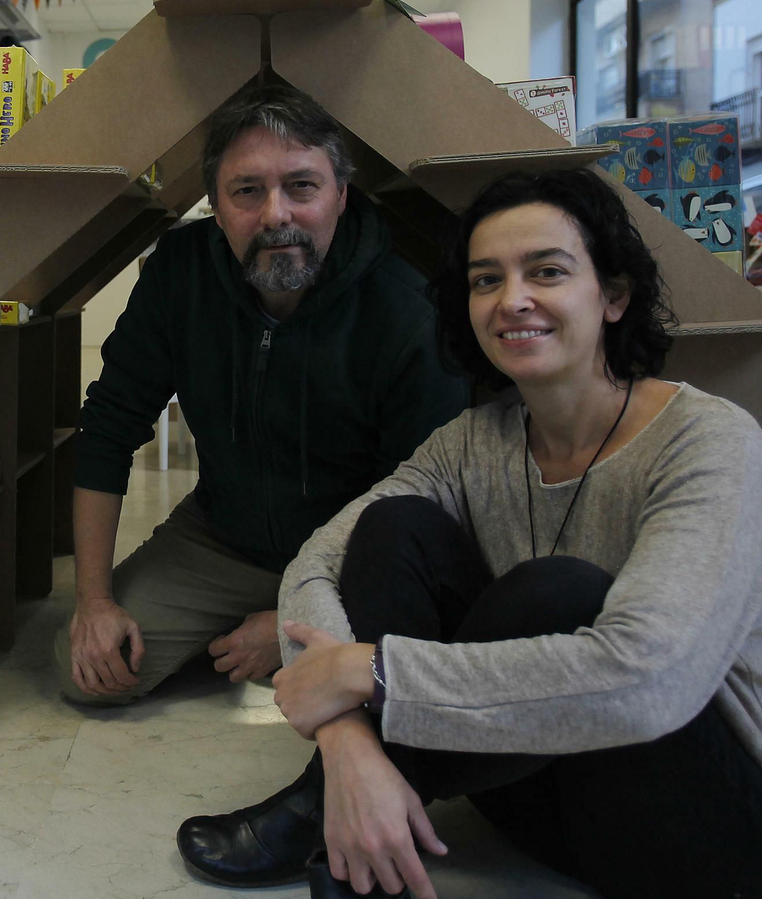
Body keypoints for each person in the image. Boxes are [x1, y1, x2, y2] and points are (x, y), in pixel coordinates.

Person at [176, 168, 762, 898]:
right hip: (551, 797)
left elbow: (648, 680)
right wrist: (347, 739)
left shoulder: (708, 444)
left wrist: (372, 676)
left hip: (724, 840)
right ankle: (353, 801)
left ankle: (324, 820)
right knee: (394, 525)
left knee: (556, 595)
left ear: (614, 296)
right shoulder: (475, 441)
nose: (512, 300)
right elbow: (317, 562)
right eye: (486, 279)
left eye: (548, 272)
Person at [57, 81, 468, 706]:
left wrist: (289, 620)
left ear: (341, 196)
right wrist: (93, 603)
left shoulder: (407, 307)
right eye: (247, 191)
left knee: (373, 681)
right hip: (220, 539)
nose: (276, 214)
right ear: (217, 208)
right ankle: (232, 628)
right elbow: (109, 427)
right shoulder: (179, 274)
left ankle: (265, 627)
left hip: (352, 550)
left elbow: (419, 504)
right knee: (88, 674)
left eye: (301, 186)